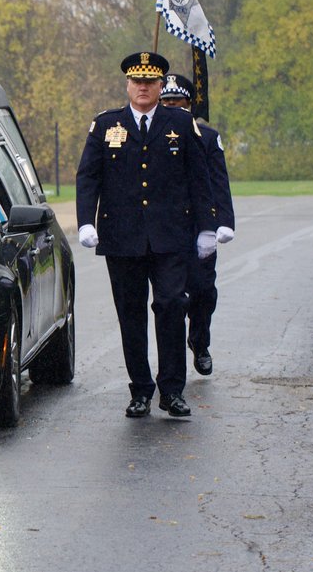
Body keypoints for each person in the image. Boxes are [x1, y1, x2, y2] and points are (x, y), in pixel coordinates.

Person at [75, 51, 217, 419]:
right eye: (137, 81)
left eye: (150, 82)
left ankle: (172, 391)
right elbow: (88, 176)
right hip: (122, 238)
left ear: (159, 85)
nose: (143, 87)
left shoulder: (181, 123)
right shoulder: (106, 125)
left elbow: (199, 178)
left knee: (171, 306)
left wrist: (207, 226)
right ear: (127, 84)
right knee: (131, 314)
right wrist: (86, 221)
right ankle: (140, 390)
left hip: (170, 237)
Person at [159, 74, 235, 376]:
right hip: (166, 227)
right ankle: (173, 355)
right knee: (171, 297)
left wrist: (223, 222)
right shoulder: (152, 135)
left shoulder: (207, 137)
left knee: (203, 290)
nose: (171, 106)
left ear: (189, 104)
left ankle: (200, 341)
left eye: (176, 101)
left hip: (199, 225)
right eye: (166, 101)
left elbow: (219, 182)